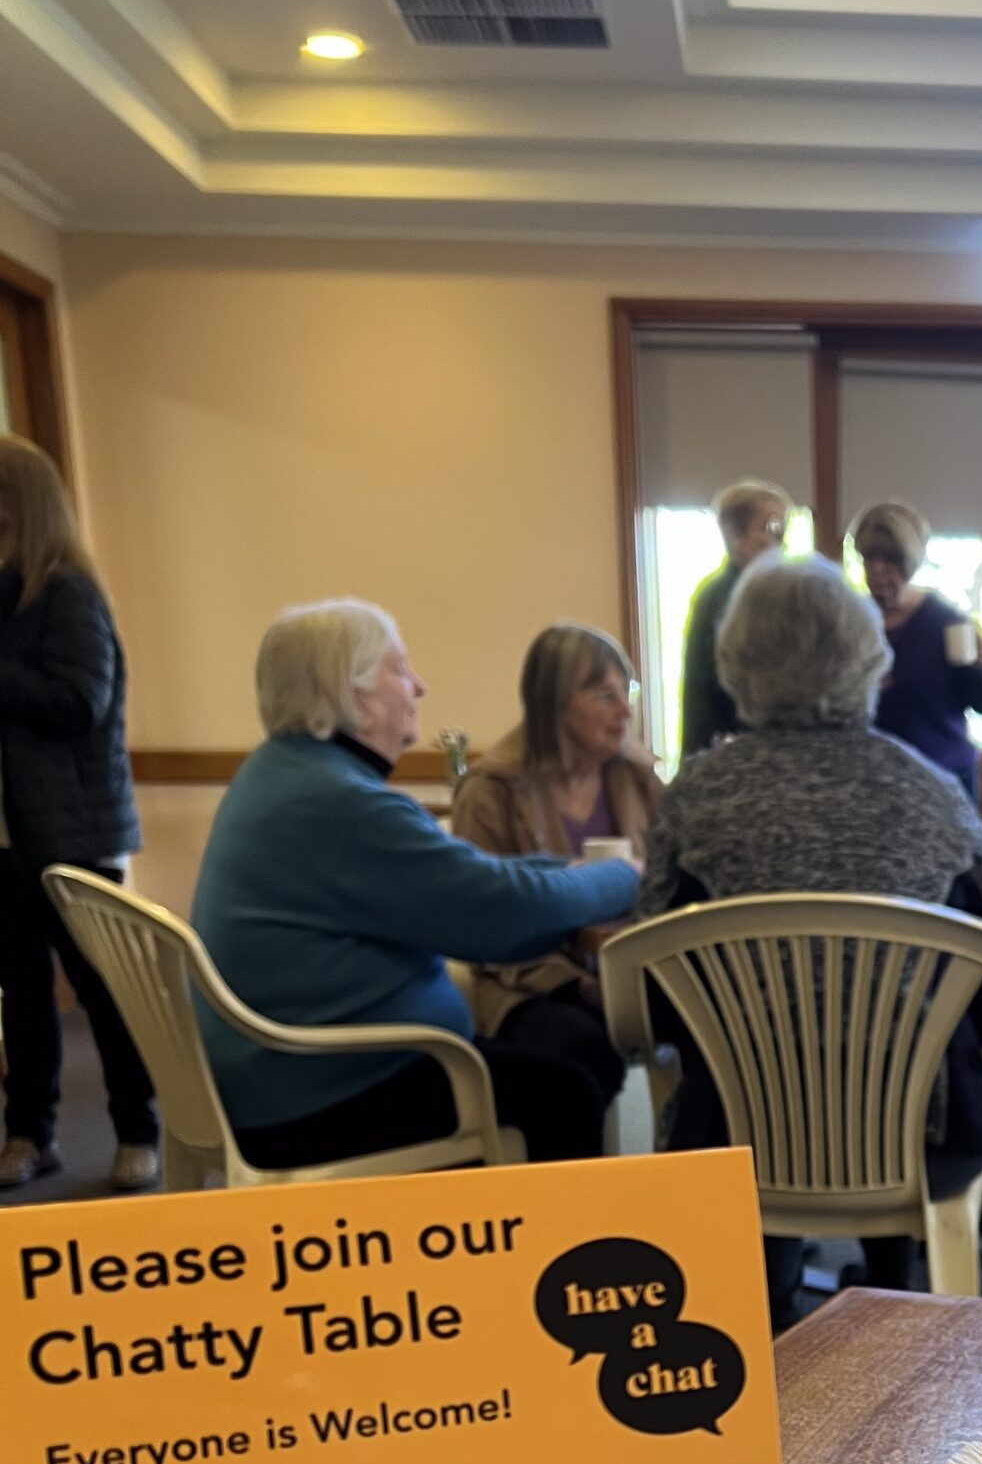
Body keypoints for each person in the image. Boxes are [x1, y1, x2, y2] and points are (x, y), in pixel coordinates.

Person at [642, 555, 982, 1327]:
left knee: (741, 1082)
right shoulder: (933, 794)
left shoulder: (694, 797)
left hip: (734, 1137)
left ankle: (767, 1302)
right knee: (919, 1063)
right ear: (871, 661)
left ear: (734, 664)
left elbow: (643, 1003)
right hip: (921, 1136)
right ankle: (893, 1286)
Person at [191, 601, 641, 1169]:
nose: (419, 687)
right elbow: (500, 913)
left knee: (561, 1071)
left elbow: (480, 884)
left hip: (290, 1069)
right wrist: (625, 877)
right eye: (400, 670)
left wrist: (567, 874)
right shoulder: (344, 806)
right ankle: (543, 1230)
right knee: (565, 1093)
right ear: (355, 696)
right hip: (322, 1091)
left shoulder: (285, 774)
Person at [0, 435, 159, 1191]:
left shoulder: (66, 593)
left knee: (104, 992)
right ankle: (30, 1134)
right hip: (7, 836)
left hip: (72, 831)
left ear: (18, 502)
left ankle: (139, 1132)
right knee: (22, 997)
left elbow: (79, 702)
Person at [451, 623, 662, 1119]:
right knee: (580, 1049)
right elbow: (486, 927)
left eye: (627, 692)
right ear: (553, 704)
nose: (625, 711)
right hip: (525, 983)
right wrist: (584, 987)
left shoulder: (639, 777)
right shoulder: (491, 791)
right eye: (604, 695)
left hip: (631, 971)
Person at [851, 501, 982, 800]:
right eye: (869, 558)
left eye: (889, 560)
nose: (876, 570)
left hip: (941, 781)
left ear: (910, 561)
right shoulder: (850, 622)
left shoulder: (946, 623)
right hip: (871, 780)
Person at [679, 479, 790, 761]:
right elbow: (708, 691)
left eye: (783, 530)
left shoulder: (777, 591)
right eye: (770, 528)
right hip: (736, 750)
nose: (780, 541)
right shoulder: (723, 598)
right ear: (734, 535)